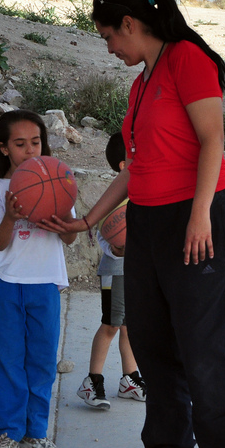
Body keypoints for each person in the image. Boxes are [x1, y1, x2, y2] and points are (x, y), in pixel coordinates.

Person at [39, 0, 225, 448]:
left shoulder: (188, 60)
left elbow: (212, 141)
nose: (108, 46)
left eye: (109, 35)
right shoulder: (141, 85)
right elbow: (136, 169)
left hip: (197, 216)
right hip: (150, 222)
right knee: (155, 345)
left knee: (208, 349)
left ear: (131, 24)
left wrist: (201, 212)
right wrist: (86, 221)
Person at [0, 109, 78, 448]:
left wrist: (58, 224)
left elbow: (70, 239)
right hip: (5, 284)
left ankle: (37, 431)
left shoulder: (58, 182)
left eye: (35, 142)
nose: (30, 150)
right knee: (7, 360)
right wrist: (11, 215)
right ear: (4, 149)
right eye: (20, 144)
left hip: (45, 284)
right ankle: (7, 433)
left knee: (42, 361)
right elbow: (0, 243)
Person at [77, 134, 146, 410]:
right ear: (123, 165)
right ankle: (92, 381)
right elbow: (103, 236)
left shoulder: (141, 195)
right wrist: (117, 249)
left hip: (136, 271)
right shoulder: (114, 199)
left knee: (130, 326)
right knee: (111, 325)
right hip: (115, 272)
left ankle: (129, 379)